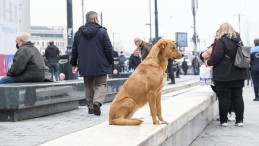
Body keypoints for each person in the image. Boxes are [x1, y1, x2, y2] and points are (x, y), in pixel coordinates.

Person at [70, 11, 113, 116]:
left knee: (88, 85)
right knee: (101, 84)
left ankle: (90, 108)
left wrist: (74, 63)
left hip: (85, 64)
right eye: (97, 18)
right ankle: (97, 102)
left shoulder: (78, 33)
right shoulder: (102, 31)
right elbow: (108, 48)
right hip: (101, 63)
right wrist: (110, 61)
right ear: (95, 19)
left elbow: (74, 50)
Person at [205, 22, 247, 127]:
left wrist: (208, 62)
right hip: (239, 73)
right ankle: (240, 121)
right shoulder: (239, 41)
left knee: (224, 97)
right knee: (238, 96)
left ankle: (224, 121)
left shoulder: (222, 41)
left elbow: (217, 56)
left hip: (224, 75)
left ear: (222, 30)